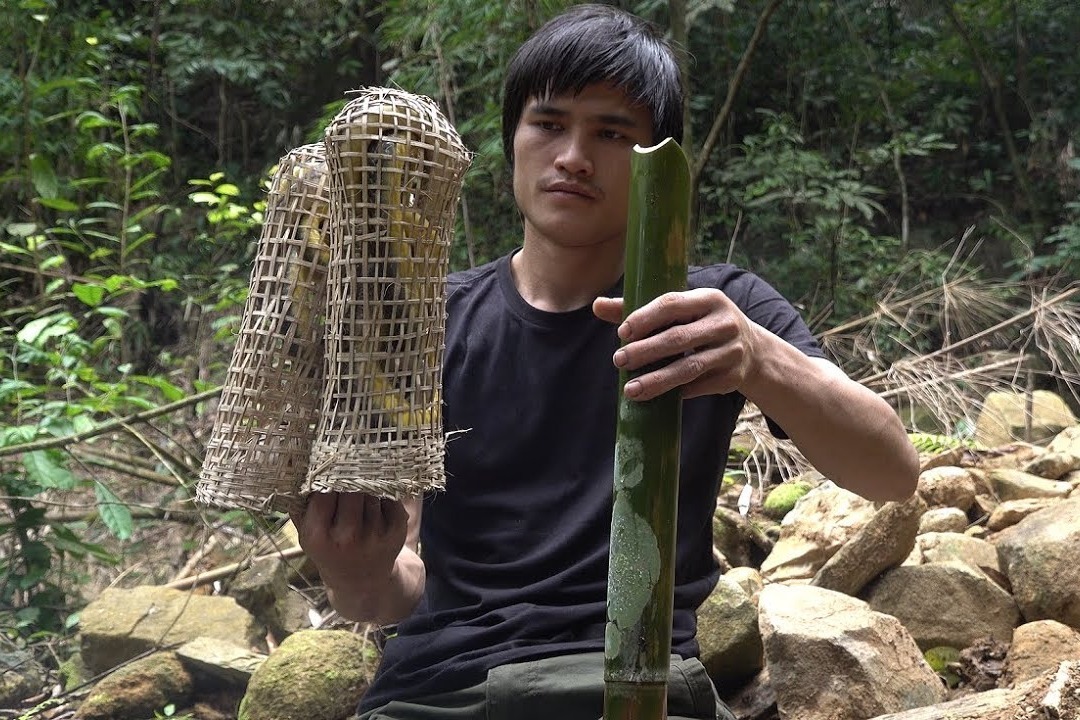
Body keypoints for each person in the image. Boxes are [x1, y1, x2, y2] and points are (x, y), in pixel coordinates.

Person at [292, 5, 920, 719]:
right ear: (511, 141)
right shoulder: (426, 325)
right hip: (445, 693)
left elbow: (891, 471)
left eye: (612, 133)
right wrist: (354, 570)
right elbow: (388, 594)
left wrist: (758, 357)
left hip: (644, 686)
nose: (573, 157)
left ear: (661, 162)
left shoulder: (714, 313)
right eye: (550, 124)